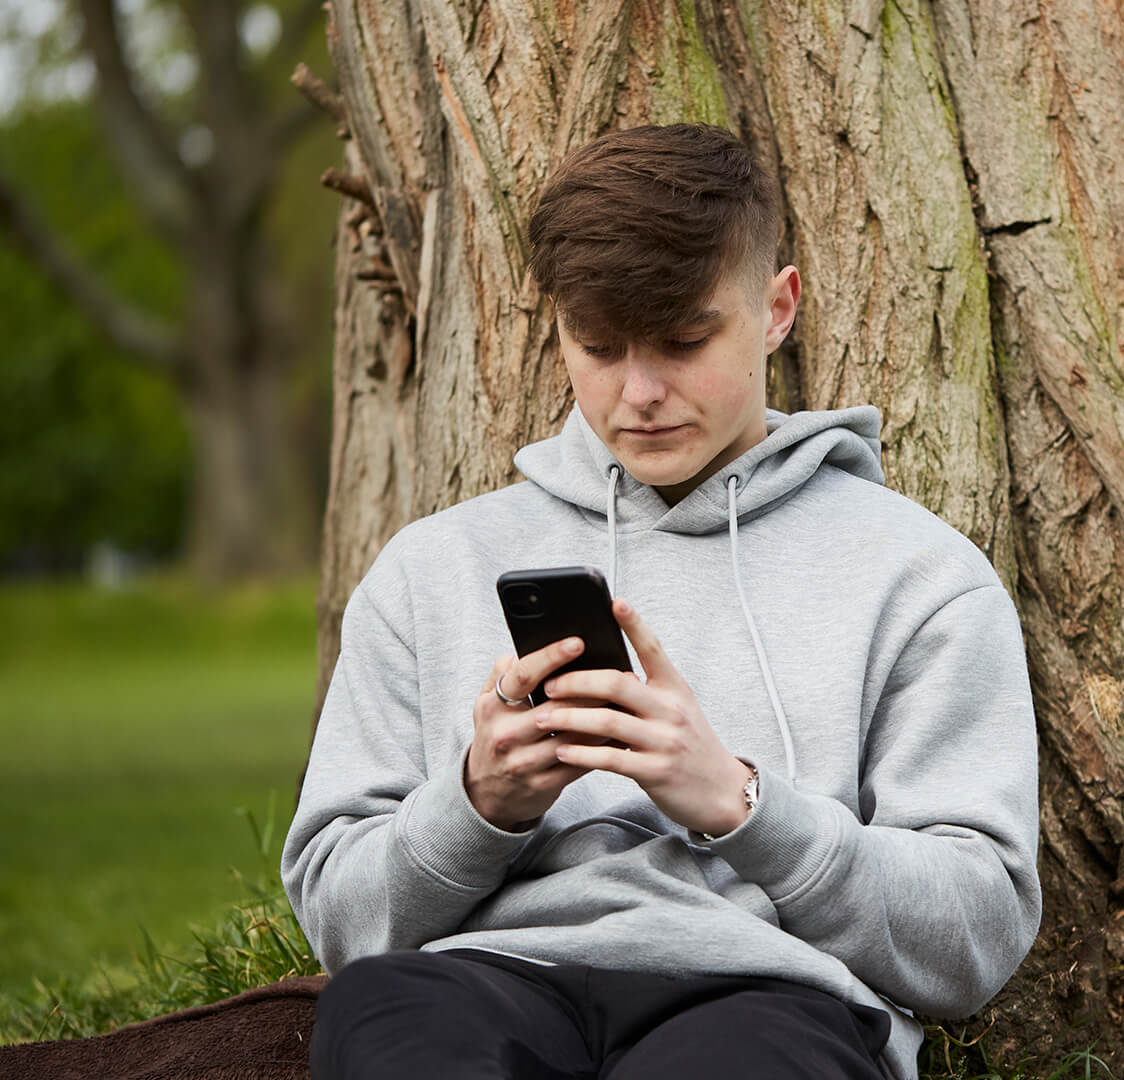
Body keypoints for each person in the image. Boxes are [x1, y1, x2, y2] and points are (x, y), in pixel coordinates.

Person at [281, 123, 1041, 1080]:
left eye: (685, 341)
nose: (638, 392)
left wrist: (742, 804)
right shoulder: (430, 569)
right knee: (391, 1022)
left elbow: (974, 937)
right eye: (598, 346)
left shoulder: (921, 578)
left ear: (777, 309)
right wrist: (476, 805)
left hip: (769, 999)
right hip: (484, 980)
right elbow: (338, 919)